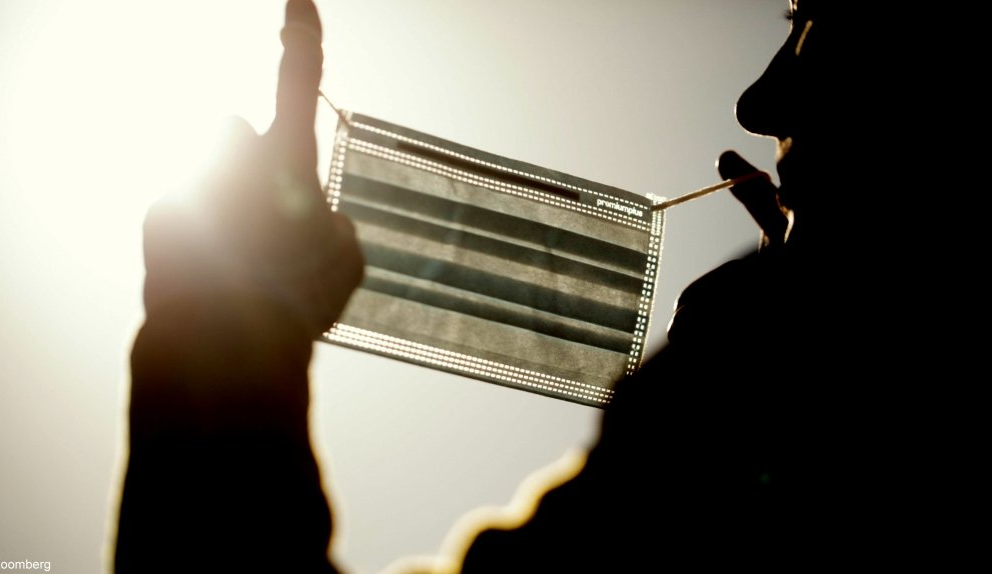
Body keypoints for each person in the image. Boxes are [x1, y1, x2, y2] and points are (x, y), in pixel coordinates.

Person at [113, 1, 922, 572]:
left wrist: (224, 327)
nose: (758, 101)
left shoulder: (744, 401)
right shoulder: (770, 386)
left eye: (809, 20)